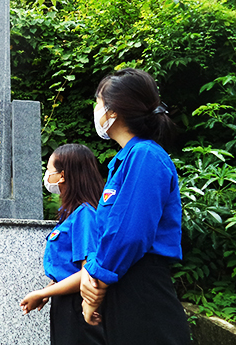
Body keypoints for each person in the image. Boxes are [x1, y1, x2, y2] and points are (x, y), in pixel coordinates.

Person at [80, 68, 191, 344]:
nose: (96, 109)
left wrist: (95, 285)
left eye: (98, 102)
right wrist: (92, 274)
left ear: (114, 111)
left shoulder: (145, 156)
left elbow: (128, 234)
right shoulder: (125, 160)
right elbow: (107, 233)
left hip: (142, 288)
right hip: (125, 284)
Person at [20, 143, 105, 345]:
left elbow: (89, 274)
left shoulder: (85, 215)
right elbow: (70, 268)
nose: (46, 176)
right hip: (66, 302)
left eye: (49, 169)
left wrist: (43, 292)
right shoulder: (71, 214)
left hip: (80, 304)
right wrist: (52, 288)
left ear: (63, 175)